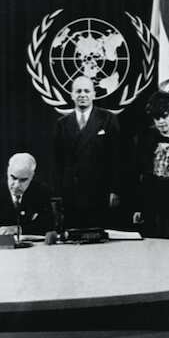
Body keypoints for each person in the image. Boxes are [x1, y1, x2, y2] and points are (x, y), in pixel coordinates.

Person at [52, 76, 122, 228]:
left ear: (94, 94)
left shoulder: (108, 119)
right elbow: (58, 162)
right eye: (78, 91)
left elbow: (117, 158)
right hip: (72, 194)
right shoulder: (62, 124)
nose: (82, 94)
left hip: (100, 192)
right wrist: (60, 192)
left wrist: (114, 190)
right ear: (71, 95)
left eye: (86, 91)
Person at [132, 90, 169, 238]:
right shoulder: (147, 138)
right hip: (153, 203)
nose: (161, 122)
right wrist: (139, 207)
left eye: (164, 116)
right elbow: (141, 175)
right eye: (156, 118)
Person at [0, 153, 52, 235]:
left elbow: (48, 224)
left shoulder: (41, 192)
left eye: (23, 180)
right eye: (13, 178)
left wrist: (18, 229)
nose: (16, 185)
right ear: (8, 172)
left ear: (32, 176)